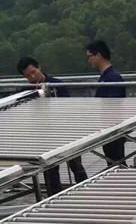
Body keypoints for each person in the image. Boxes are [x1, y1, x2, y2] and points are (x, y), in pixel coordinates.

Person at [16, 56, 88, 196]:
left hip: (64, 131)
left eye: (33, 72)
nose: (32, 76)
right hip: (45, 134)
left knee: (76, 165)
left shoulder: (57, 84)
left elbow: (69, 107)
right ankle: (54, 197)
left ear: (39, 67)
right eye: (28, 76)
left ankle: (86, 192)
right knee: (50, 171)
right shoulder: (25, 91)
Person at [85, 40, 127, 166]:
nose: (89, 60)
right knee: (112, 161)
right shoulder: (105, 76)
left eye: (89, 56)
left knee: (116, 162)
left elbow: (114, 105)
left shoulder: (113, 77)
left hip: (113, 128)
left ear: (98, 55)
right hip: (108, 127)